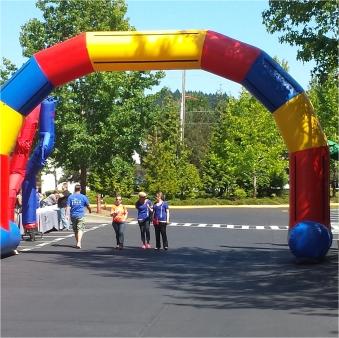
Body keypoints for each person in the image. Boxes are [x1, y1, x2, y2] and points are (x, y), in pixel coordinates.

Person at [66, 184, 91, 249]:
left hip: (73, 215)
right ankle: (79, 242)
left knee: (75, 230)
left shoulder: (70, 197)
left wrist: (67, 215)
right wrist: (90, 210)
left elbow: (68, 207)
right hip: (81, 215)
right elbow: (88, 205)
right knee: (80, 228)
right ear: (80, 189)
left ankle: (78, 242)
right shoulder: (83, 197)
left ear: (74, 189)